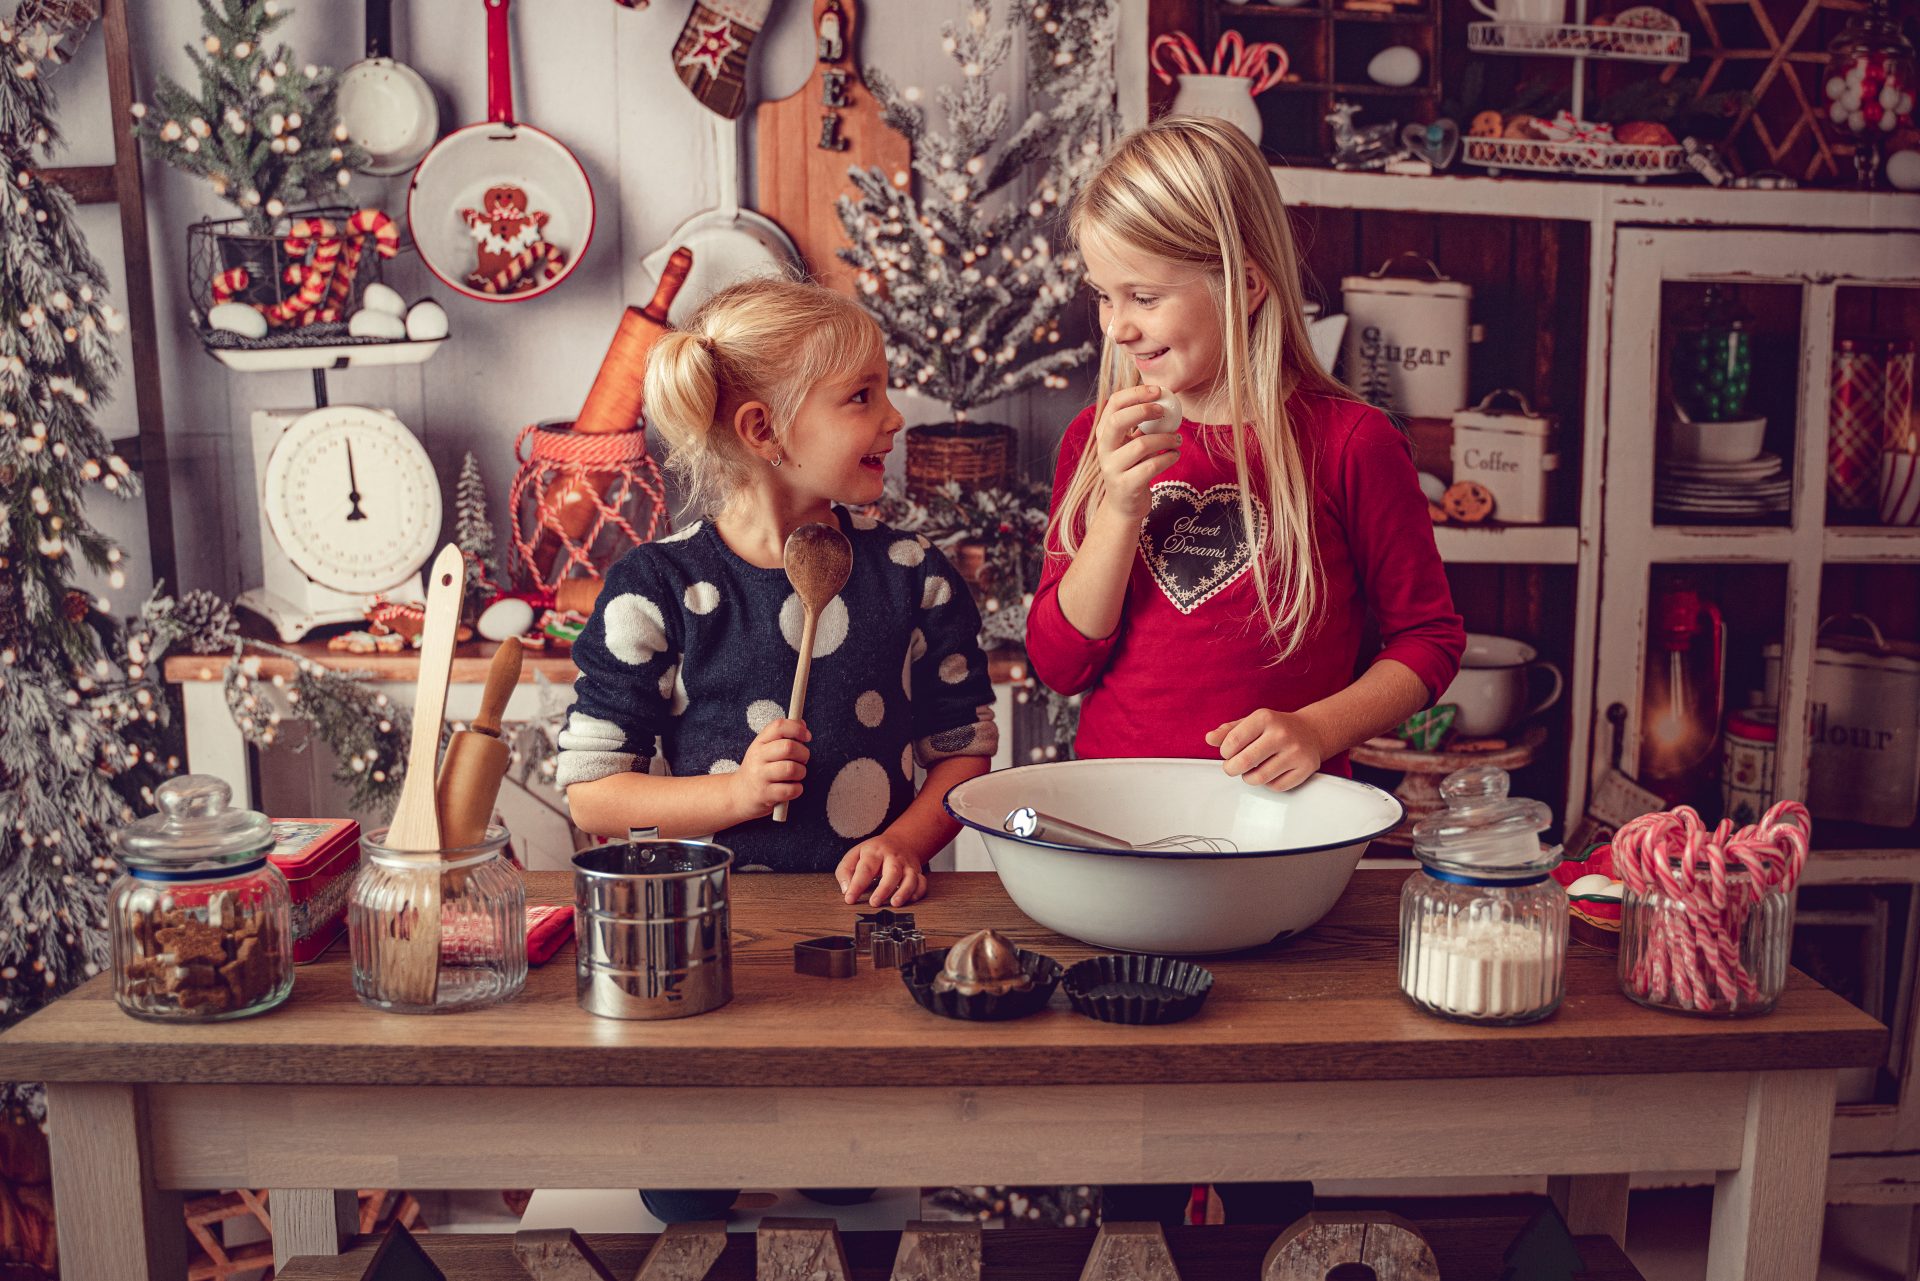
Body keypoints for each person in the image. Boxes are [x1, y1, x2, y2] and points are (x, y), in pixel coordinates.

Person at [1026, 117, 1466, 1227]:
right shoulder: (1099, 439)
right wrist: (1119, 506)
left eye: (1145, 294)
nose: (1119, 326)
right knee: (1124, 1139)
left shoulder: (1350, 444)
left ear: (1246, 282)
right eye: (1103, 298)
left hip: (1276, 848)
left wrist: (1321, 727)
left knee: (1264, 1124)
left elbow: (1429, 641)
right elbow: (1059, 660)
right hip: (1114, 847)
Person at [560, 277, 999, 1224]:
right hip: (707, 950)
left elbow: (965, 752)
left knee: (851, 1180)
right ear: (764, 430)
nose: (895, 416)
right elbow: (593, 797)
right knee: (685, 1197)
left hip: (866, 943)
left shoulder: (910, 576)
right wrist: (732, 796)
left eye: (885, 390)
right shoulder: (659, 586)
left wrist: (908, 842)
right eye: (862, 396)